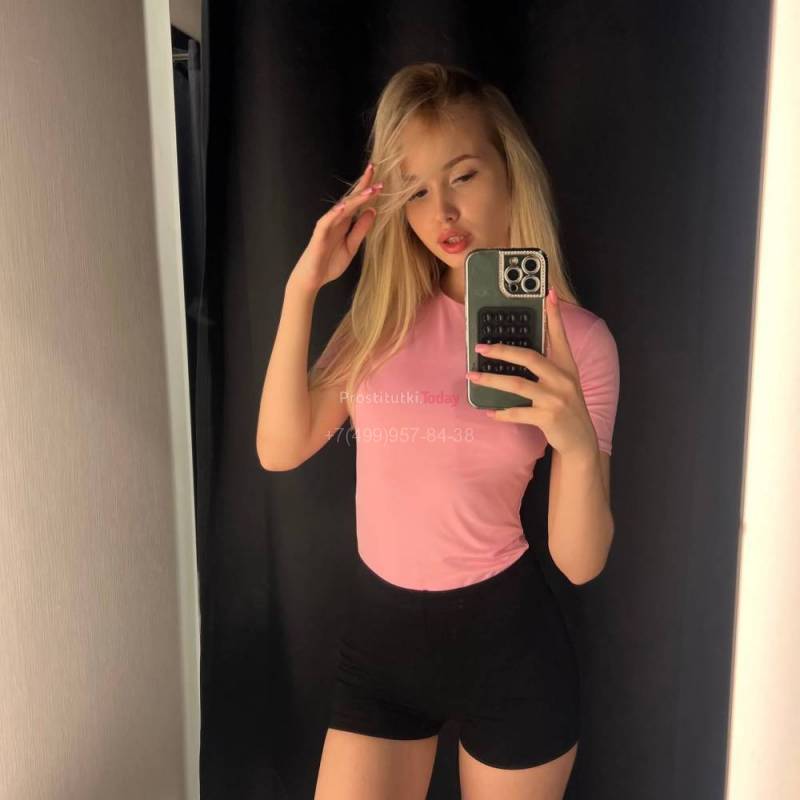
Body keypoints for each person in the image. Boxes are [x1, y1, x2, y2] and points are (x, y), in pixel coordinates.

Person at [256, 62, 620, 800]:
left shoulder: (578, 341)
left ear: (510, 172)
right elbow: (279, 448)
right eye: (417, 190)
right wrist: (303, 288)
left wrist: (578, 446)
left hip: (511, 654)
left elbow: (580, 563)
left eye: (463, 176)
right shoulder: (379, 321)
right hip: (381, 655)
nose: (443, 211)